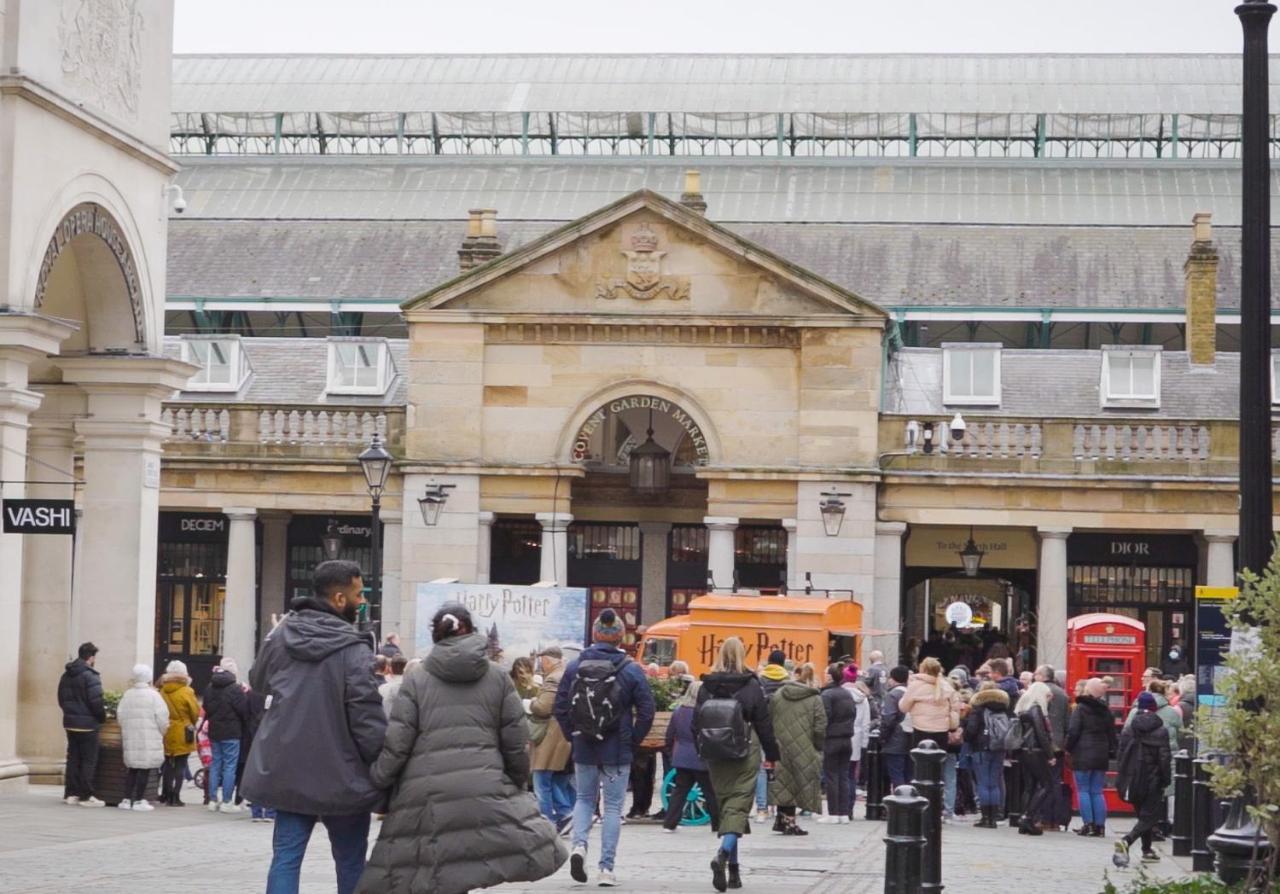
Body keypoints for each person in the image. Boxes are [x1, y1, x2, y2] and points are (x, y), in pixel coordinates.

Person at [356, 603, 566, 893]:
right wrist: (515, 780)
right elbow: (516, 740)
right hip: (484, 784)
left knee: (436, 874)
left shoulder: (417, 679)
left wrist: (380, 777)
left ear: (436, 635)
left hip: (427, 792)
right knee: (465, 868)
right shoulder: (497, 677)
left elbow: (398, 741)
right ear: (472, 629)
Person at [242, 560, 388, 894]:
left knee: (286, 858)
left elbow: (257, 681)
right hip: (344, 774)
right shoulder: (353, 649)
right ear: (339, 599)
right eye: (358, 593)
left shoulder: (281, 636)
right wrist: (382, 767)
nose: (362, 600)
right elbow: (366, 718)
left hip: (288, 767)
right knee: (350, 860)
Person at [554, 608, 655, 887]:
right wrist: (633, 740)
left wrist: (572, 735)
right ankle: (606, 868)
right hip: (617, 749)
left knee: (584, 799)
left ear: (595, 634)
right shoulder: (631, 669)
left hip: (584, 745)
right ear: (620, 638)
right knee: (612, 807)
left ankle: (578, 846)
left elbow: (560, 706)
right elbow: (647, 710)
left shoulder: (575, 667)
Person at [696, 637, 781, 893]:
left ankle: (734, 872)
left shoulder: (706, 685)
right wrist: (772, 755)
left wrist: (701, 749)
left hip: (715, 752)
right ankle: (722, 854)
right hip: (745, 749)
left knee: (727, 807)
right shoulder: (751, 685)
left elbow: (696, 722)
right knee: (739, 806)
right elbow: (764, 723)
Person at [1113, 692, 1173, 868]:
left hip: (1132, 779)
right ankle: (1127, 840)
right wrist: (1165, 779)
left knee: (1143, 815)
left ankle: (1147, 850)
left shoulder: (1128, 729)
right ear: (1154, 710)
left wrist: (1122, 778)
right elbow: (1164, 759)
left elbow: (1121, 756)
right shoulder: (1161, 731)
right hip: (1152, 780)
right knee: (1149, 816)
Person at [764, 661, 823, 836]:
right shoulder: (815, 698)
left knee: (783, 783)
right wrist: (818, 745)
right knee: (799, 783)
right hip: (805, 745)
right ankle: (789, 822)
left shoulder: (778, 695)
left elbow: (770, 719)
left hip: (780, 744)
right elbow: (820, 726)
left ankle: (783, 819)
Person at [663, 681, 721, 833]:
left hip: (682, 757)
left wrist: (671, 754)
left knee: (679, 791)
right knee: (710, 792)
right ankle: (717, 823)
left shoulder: (678, 711)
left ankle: (669, 823)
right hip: (701, 757)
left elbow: (670, 736)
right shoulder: (706, 711)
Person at [529, 645, 574, 832]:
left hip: (550, 734)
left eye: (543, 660)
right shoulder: (564, 675)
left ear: (548, 660)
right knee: (550, 779)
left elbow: (543, 707)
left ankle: (550, 821)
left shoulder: (553, 679)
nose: (542, 664)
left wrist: (530, 703)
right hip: (560, 734)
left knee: (541, 780)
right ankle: (565, 813)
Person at [58, 641, 107, 807]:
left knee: (73, 758)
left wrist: (69, 714)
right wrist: (101, 718)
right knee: (88, 760)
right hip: (88, 725)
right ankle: (86, 796)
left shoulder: (66, 674)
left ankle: (70, 794)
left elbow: (61, 698)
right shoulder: (90, 675)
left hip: (70, 723)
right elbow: (96, 702)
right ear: (91, 657)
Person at [1066, 678, 1117, 837]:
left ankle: (1088, 825)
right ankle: (1100, 827)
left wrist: (1067, 748)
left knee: (1083, 790)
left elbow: (1073, 731)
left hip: (1083, 753)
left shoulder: (1080, 708)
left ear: (1087, 690)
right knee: (1097, 791)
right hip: (1101, 754)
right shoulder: (1106, 709)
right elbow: (1112, 734)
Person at [116, 664, 168, 812]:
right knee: (144, 768)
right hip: (148, 736)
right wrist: (161, 732)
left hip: (131, 736)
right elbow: (162, 718)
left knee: (132, 768)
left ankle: (126, 799)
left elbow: (120, 716)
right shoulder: (154, 695)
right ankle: (139, 800)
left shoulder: (128, 695)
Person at [203, 659, 249, 813]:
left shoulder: (210, 688)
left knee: (216, 764)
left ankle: (212, 799)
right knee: (230, 766)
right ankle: (227, 801)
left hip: (215, 731)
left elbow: (206, 708)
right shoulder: (235, 689)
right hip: (232, 732)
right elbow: (243, 710)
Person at [963, 680, 1011, 828]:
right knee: (994, 783)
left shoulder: (978, 709)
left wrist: (966, 736)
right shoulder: (1003, 709)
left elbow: (971, 731)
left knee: (983, 783)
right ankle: (994, 818)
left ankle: (985, 818)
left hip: (981, 748)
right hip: (999, 748)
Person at [1013, 681, 1056, 836]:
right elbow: (1041, 733)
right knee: (1047, 785)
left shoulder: (1022, 708)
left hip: (1024, 750)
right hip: (1035, 750)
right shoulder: (1036, 708)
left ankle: (1024, 821)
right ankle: (1028, 817)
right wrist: (1050, 754)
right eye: (1047, 695)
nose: (1050, 698)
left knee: (1030, 786)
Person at [754, 650, 789, 823]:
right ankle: (778, 805)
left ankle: (762, 808)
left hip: (762, 728)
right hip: (782, 730)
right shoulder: (787, 683)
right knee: (780, 768)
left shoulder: (760, 682)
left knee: (761, 768)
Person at [159, 659, 200, 807]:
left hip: (167, 729)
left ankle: (167, 794)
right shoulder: (187, 691)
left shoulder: (162, 690)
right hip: (183, 731)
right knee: (181, 765)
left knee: (168, 764)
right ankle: (176, 796)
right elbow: (195, 712)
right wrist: (190, 723)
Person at [819, 664, 856, 824]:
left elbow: (823, 717)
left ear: (829, 677)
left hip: (832, 738)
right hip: (847, 738)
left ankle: (833, 813)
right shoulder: (847, 694)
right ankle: (844, 813)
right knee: (843, 776)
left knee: (831, 776)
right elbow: (852, 714)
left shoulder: (827, 694)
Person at [1034, 665, 1069, 830]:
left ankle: (1045, 818)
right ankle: (1056, 820)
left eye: (1036, 673)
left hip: (1043, 742)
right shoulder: (1062, 693)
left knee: (1044, 783)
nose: (1034, 676)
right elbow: (1067, 721)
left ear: (1042, 676)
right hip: (1058, 744)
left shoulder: (1039, 690)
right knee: (1055, 782)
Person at [900, 657, 959, 750]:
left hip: (920, 729)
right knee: (938, 761)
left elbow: (903, 707)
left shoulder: (916, 685)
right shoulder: (947, 686)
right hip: (942, 730)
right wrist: (952, 726)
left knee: (920, 760)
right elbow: (955, 710)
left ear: (922, 669)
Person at [841, 664, 872, 818]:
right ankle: (849, 808)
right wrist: (864, 743)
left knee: (839, 773)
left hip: (840, 737)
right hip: (856, 738)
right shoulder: (863, 699)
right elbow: (866, 723)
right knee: (851, 774)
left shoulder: (839, 694)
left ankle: (840, 807)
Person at [879, 666, 913, 789]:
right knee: (908, 775)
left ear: (893, 679)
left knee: (896, 775)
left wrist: (882, 737)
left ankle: (899, 805)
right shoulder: (910, 693)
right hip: (910, 738)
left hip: (895, 740)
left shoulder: (893, 695)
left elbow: (888, 719)